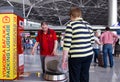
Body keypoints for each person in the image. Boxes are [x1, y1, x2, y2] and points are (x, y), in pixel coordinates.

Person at [62, 7, 94, 82]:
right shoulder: (88, 25)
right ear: (80, 15)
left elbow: (67, 45)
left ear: (71, 15)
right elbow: (92, 41)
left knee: (74, 77)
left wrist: (64, 60)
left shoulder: (71, 25)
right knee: (85, 75)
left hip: (76, 57)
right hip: (88, 55)